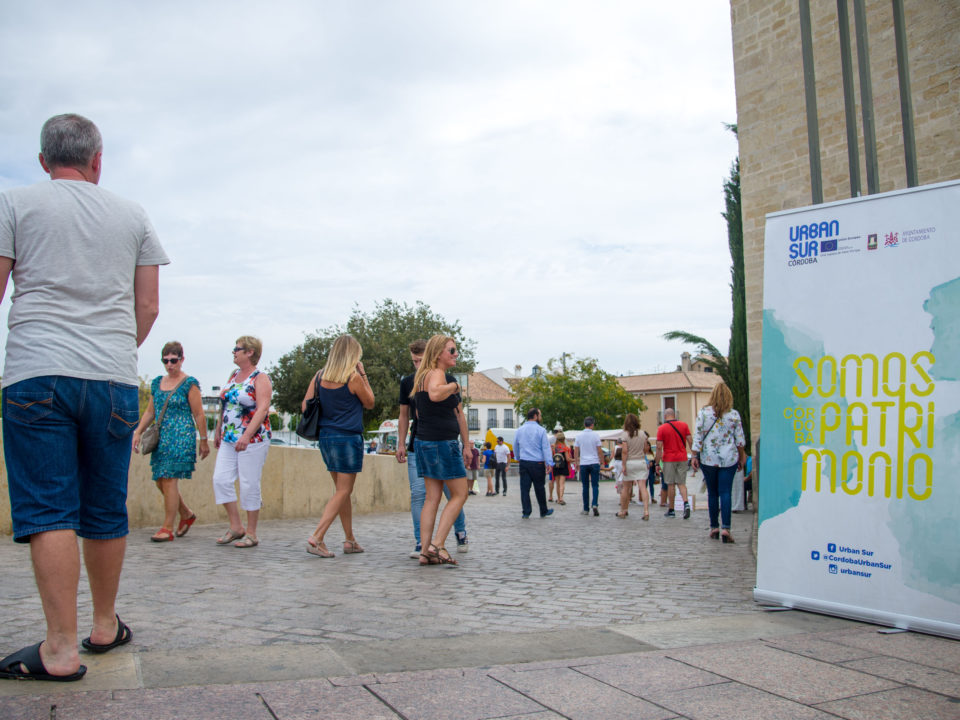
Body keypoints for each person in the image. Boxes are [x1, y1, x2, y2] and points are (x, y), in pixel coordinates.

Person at [0, 114, 166, 682]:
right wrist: (112, 349)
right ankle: (102, 626)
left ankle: (60, 649)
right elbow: (147, 309)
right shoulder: (133, 215)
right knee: (103, 507)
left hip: (35, 373)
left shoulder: (15, 205)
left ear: (44, 162)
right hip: (113, 378)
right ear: (98, 161)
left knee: (49, 510)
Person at [396, 339, 468, 558]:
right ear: (438, 353)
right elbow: (436, 394)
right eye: (452, 350)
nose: (456, 354)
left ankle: (425, 549)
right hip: (441, 443)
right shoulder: (436, 373)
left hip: (424, 442)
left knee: (431, 498)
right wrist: (455, 386)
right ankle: (436, 545)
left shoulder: (420, 377)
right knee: (460, 494)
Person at [305, 335, 375, 558]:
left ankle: (350, 539)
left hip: (326, 437)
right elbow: (370, 402)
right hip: (347, 437)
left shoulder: (319, 377)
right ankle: (317, 537)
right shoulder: (352, 377)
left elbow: (305, 405)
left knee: (341, 492)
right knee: (344, 490)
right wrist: (363, 374)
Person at [132, 342, 210, 542]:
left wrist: (203, 440)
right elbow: (151, 411)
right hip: (161, 438)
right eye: (165, 361)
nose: (169, 365)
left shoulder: (189, 383)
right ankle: (186, 513)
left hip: (181, 437)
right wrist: (138, 432)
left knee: (168, 479)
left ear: (181, 360)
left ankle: (167, 527)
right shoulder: (157, 382)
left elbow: (199, 413)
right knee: (160, 480)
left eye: (173, 360)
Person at [211, 336, 272, 548]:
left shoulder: (260, 378)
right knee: (221, 479)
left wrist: (246, 435)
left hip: (253, 439)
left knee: (249, 483)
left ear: (250, 352)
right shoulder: (233, 375)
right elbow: (225, 405)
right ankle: (236, 526)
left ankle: (252, 532)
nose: (233, 352)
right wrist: (218, 428)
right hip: (229, 438)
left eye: (237, 349)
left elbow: (263, 408)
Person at [691, 382, 746, 543]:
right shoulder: (734, 415)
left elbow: (698, 436)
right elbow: (740, 440)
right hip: (728, 458)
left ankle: (714, 526)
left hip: (709, 458)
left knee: (712, 493)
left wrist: (694, 455)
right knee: (726, 492)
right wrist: (741, 457)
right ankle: (726, 528)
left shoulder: (704, 413)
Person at [513, 408, 555, 519]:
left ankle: (526, 511)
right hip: (538, 463)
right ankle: (543, 510)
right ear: (535, 416)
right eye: (540, 415)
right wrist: (549, 463)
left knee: (524, 488)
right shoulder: (541, 430)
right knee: (540, 488)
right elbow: (545, 448)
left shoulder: (520, 430)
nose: (540, 417)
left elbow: (515, 445)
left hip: (525, 462)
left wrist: (518, 457)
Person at [655, 408, 692, 519]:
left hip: (669, 459)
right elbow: (690, 440)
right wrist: (694, 455)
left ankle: (671, 509)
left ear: (665, 416)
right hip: (682, 457)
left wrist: (657, 463)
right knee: (681, 483)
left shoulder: (661, 428)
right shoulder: (684, 425)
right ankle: (686, 503)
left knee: (670, 484)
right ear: (674, 415)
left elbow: (659, 447)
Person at [615, 413, 650, 519]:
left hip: (630, 462)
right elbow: (645, 449)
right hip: (640, 461)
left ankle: (623, 510)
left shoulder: (624, 435)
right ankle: (646, 511)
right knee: (643, 487)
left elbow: (624, 452)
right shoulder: (643, 434)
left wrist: (624, 465)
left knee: (626, 488)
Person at [574, 417, 603, 516]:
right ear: (592, 425)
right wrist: (602, 461)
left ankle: (585, 508)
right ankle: (594, 504)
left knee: (585, 486)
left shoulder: (579, 436)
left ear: (584, 424)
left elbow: (576, 450)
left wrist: (576, 462)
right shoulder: (596, 435)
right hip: (594, 462)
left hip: (584, 463)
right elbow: (599, 450)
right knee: (595, 485)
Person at [549, 431, 571, 505]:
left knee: (557, 484)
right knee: (562, 483)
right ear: (564, 439)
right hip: (563, 466)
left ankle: (558, 499)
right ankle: (561, 498)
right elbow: (568, 459)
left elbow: (551, 457)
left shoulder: (553, 447)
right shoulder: (565, 448)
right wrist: (575, 460)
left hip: (555, 466)